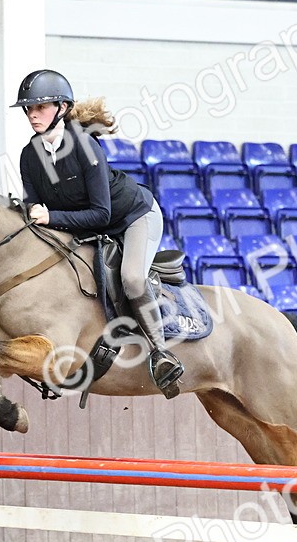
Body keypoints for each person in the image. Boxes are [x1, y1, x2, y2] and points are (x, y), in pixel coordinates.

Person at [12, 68, 184, 397]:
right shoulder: (29, 155)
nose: (32, 114)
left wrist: (50, 216)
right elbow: (35, 212)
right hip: (86, 225)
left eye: (40, 107)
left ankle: (162, 354)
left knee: (133, 278)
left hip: (133, 217)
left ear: (62, 108)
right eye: (29, 109)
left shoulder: (84, 147)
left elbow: (101, 213)